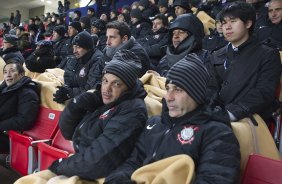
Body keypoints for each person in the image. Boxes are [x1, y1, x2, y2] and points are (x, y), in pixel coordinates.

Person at [15, 50, 148, 183]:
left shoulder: (133, 110)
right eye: (105, 81)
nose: (107, 89)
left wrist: (61, 164)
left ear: (128, 87)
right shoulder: (101, 100)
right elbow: (68, 133)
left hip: (102, 174)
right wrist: (75, 105)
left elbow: (99, 160)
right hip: (83, 164)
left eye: (116, 84)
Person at [104, 54, 241, 184]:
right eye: (168, 88)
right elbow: (133, 162)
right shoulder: (154, 123)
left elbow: (214, 180)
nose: (169, 97)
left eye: (178, 89)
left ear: (196, 94)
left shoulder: (217, 133)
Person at [209, 1, 281, 122]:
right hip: (216, 119)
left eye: (233, 21)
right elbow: (210, 89)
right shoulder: (216, 54)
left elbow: (263, 93)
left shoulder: (268, 55)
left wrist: (231, 113)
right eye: (224, 22)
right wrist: (210, 111)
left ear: (248, 23)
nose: (227, 27)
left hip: (249, 120)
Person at [91, 21, 150, 87]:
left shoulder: (136, 54)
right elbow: (95, 75)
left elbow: (122, 85)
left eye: (112, 37)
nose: (107, 42)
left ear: (124, 39)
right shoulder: (108, 50)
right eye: (107, 37)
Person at [0, 61, 40, 153]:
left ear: (21, 74)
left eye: (12, 71)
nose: (8, 75)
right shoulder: (5, 88)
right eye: (5, 72)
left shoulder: (28, 93)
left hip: (9, 136)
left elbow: (23, 121)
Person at [53, 31, 102, 104]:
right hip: (75, 94)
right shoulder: (77, 56)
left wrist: (69, 93)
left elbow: (90, 88)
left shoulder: (97, 61)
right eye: (73, 47)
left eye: (78, 47)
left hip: (86, 101)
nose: (74, 51)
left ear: (88, 48)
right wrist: (65, 89)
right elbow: (68, 76)